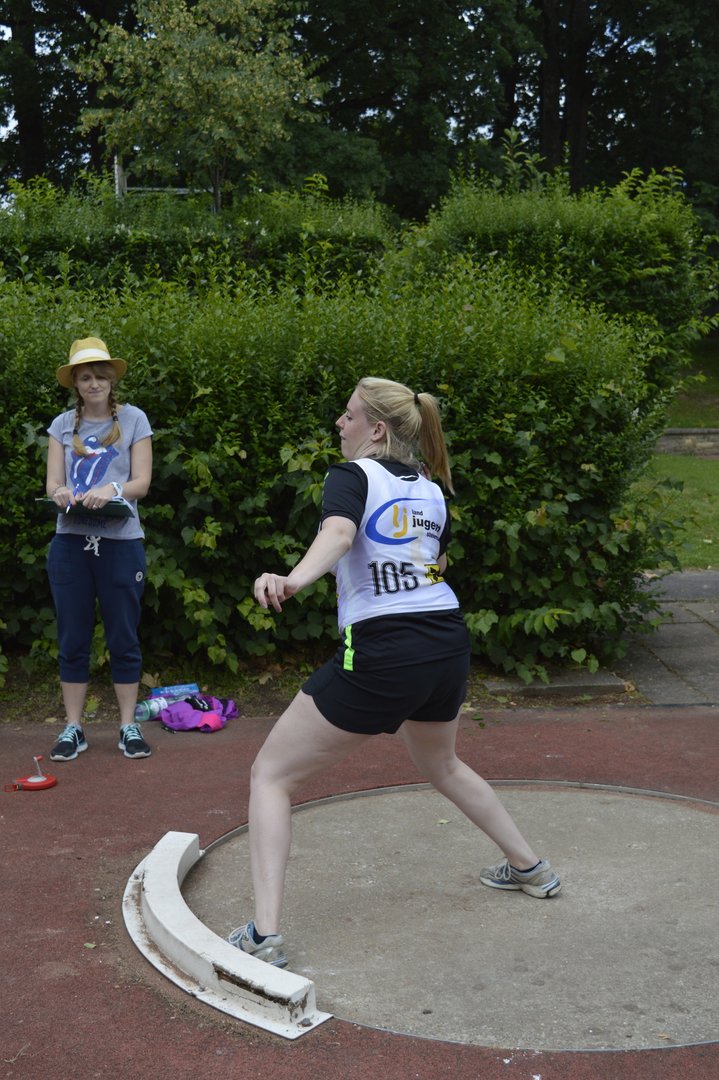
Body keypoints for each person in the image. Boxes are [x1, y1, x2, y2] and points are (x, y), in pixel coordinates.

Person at [228, 376, 561, 970]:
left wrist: (293, 580)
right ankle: (531, 869)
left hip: (386, 648)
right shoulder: (431, 489)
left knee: (270, 776)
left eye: (348, 415)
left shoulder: (352, 475)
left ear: (376, 429)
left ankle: (264, 935)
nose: (339, 423)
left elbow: (338, 533)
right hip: (445, 643)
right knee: (442, 764)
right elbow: (433, 563)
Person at [45, 336, 153, 762]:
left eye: (100, 376)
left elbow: (141, 483)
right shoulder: (61, 425)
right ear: (75, 383)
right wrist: (61, 493)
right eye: (85, 377)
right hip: (70, 544)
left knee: (123, 635)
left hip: (121, 544)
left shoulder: (134, 419)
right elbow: (53, 484)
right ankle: (74, 728)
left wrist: (112, 489)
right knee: (72, 637)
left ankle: (128, 726)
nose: (93, 384)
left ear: (111, 380)